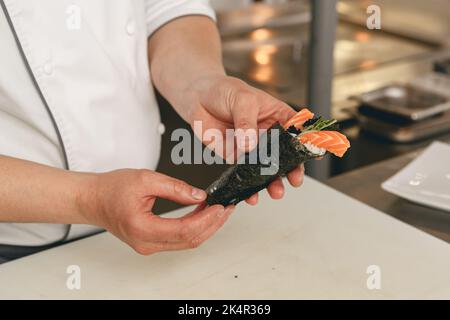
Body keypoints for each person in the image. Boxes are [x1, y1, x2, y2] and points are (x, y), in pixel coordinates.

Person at [0, 0, 304, 262]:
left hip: (125, 238)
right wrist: (89, 199)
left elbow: (169, 9)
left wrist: (202, 82)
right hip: (13, 250)